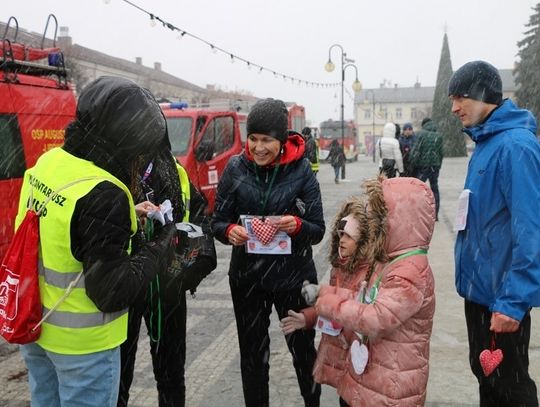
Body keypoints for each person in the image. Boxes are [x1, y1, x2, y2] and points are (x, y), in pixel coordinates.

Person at [15, 76, 177, 407]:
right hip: (83, 350)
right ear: (127, 144)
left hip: (37, 331)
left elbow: (66, 226)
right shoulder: (105, 193)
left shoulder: (50, 163)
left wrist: (126, 215)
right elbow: (112, 292)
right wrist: (160, 248)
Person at [211, 98, 325, 407]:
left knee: (303, 354)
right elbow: (217, 220)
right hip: (248, 279)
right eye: (253, 138)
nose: (258, 147)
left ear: (282, 139)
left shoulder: (301, 170)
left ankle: (312, 402)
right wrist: (227, 231)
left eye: (267, 140)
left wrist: (298, 225)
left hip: (293, 279)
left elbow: (319, 229)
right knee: (252, 358)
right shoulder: (235, 167)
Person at [449, 60, 540, 406]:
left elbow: (531, 230)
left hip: (501, 297)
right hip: (480, 292)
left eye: (461, 98)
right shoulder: (487, 141)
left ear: (485, 95)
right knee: (488, 378)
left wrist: (513, 303)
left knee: (511, 387)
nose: (455, 108)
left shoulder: (515, 146)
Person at [301, 176, 436, 407]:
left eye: (378, 218)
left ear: (399, 222)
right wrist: (328, 293)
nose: (372, 225)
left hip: (391, 387)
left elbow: (374, 317)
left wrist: (328, 304)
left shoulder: (410, 272)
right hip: (376, 377)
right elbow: (366, 300)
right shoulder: (392, 262)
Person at [118, 144, 217, 407]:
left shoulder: (173, 169)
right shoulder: (113, 166)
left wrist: (192, 263)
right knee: (118, 375)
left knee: (171, 372)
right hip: (125, 284)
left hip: (169, 284)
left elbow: (198, 215)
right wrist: (131, 213)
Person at [280, 197, 370, 406]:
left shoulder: (371, 272)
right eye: (339, 235)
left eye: (348, 236)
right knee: (345, 398)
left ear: (363, 240)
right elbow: (333, 303)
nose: (342, 241)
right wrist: (307, 317)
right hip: (345, 356)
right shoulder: (340, 266)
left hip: (364, 358)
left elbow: (355, 308)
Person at [409, 117, 443, 220]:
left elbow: (415, 151)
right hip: (434, 167)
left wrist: (412, 164)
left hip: (422, 166)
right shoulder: (439, 136)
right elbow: (441, 153)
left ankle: (416, 212)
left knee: (418, 189)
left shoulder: (420, 134)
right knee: (435, 189)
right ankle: (435, 214)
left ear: (423, 124)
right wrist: (438, 166)